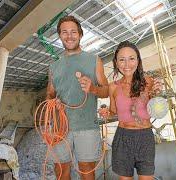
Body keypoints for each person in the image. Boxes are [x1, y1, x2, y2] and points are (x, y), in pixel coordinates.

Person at [46, 15, 109, 180]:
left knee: (86, 170)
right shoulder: (54, 67)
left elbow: (107, 90)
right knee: (60, 170)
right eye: (64, 32)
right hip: (60, 128)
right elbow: (49, 95)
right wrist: (53, 102)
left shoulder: (94, 60)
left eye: (73, 32)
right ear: (59, 36)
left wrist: (93, 88)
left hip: (87, 125)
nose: (69, 36)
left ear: (80, 34)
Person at [99, 41, 160, 180]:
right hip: (123, 137)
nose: (127, 65)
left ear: (138, 60)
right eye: (122, 60)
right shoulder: (113, 87)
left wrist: (157, 93)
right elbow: (113, 111)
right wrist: (106, 113)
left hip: (145, 137)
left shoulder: (148, 82)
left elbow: (155, 108)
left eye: (131, 59)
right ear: (116, 62)